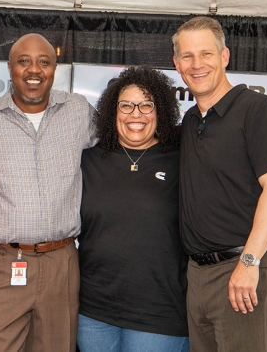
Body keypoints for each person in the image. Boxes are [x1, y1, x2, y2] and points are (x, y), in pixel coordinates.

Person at [0, 33, 96, 352]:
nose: (34, 69)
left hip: (62, 262)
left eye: (43, 62)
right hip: (3, 262)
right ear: (10, 68)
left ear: (54, 68)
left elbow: (115, 154)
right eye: (24, 61)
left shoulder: (79, 112)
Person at [173, 16, 267, 351]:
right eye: (187, 56)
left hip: (246, 270)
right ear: (176, 64)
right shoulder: (190, 120)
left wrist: (249, 262)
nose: (197, 65)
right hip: (199, 275)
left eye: (206, 54)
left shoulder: (258, 110)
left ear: (224, 56)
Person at [76, 66, 189, 352]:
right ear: (112, 112)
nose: (135, 114)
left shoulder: (182, 160)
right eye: (126, 105)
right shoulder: (87, 159)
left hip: (160, 313)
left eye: (146, 105)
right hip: (93, 312)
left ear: (160, 110)